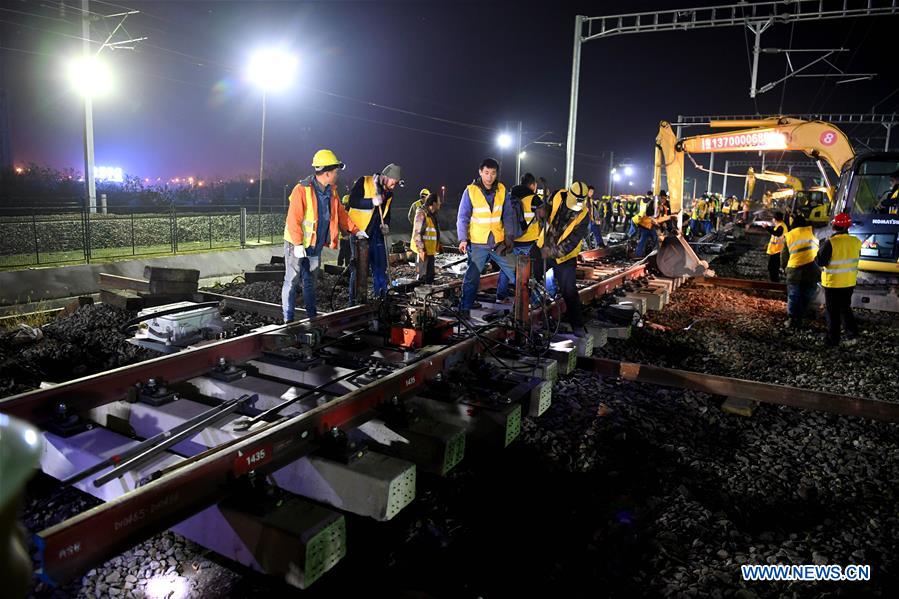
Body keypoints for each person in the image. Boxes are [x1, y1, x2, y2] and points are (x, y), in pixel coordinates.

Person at [282, 149, 361, 322]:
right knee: (292, 281)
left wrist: (355, 230)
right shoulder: (301, 190)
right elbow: (293, 219)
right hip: (296, 245)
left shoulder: (331, 192)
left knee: (310, 282)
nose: (337, 175)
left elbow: (341, 214)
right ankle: (288, 320)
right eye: (335, 172)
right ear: (327, 173)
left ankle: (312, 317)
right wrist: (297, 244)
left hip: (314, 246)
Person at [457, 158, 518, 317]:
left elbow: (508, 215)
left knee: (516, 273)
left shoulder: (502, 190)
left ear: (496, 173)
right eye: (486, 173)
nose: (489, 177)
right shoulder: (470, 191)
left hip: (498, 243)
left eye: (492, 173)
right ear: (480, 172)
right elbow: (463, 217)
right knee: (472, 277)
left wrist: (509, 237)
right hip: (478, 243)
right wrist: (463, 238)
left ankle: (529, 303)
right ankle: (464, 308)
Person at [347, 163, 403, 304]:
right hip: (360, 233)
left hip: (377, 235)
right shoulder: (364, 181)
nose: (394, 185)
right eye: (393, 182)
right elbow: (352, 202)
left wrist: (386, 225)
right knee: (359, 270)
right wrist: (371, 201)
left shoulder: (389, 194)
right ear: (385, 177)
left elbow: (387, 214)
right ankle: (354, 303)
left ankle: (381, 301)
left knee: (380, 268)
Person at [543, 182, 590, 334]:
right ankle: (527, 315)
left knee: (569, 290)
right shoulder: (557, 196)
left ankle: (577, 324)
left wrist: (552, 252)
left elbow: (572, 241)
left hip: (565, 257)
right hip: (543, 246)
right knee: (529, 279)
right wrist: (541, 211)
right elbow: (547, 210)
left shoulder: (583, 215)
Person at [496, 173, 546, 300]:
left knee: (506, 268)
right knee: (528, 272)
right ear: (532, 185)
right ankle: (529, 298)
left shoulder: (510, 196)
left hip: (511, 240)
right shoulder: (533, 199)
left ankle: (500, 295)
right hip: (527, 242)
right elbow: (544, 216)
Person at [816, 212, 862, 346]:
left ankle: (833, 339)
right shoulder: (856, 241)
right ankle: (852, 335)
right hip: (849, 282)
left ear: (834, 226)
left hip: (833, 282)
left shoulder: (831, 242)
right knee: (845, 308)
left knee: (832, 311)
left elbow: (820, 261)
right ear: (847, 227)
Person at [780, 212, 820, 329]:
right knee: (807, 295)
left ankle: (792, 319)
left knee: (793, 295)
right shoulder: (813, 232)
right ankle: (801, 317)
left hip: (794, 271)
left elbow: (784, 256)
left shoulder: (789, 235)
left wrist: (784, 268)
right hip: (812, 270)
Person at [411, 192, 442, 284]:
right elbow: (416, 234)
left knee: (430, 277)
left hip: (430, 251)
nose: (440, 203)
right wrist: (421, 250)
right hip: (423, 251)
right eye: (439, 201)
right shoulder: (421, 213)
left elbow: (433, 232)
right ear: (434, 204)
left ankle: (428, 296)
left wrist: (438, 245)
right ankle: (420, 296)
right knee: (422, 277)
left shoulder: (432, 215)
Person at [760, 210, 788, 282]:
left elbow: (777, 233)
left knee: (773, 268)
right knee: (772, 268)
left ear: (775, 219)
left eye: (773, 218)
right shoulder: (780, 225)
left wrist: (767, 228)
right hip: (776, 251)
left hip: (778, 251)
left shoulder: (781, 226)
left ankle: (775, 283)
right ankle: (775, 282)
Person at [336, 194, 352, 267]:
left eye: (346, 204)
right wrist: (344, 234)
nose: (345, 206)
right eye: (344, 204)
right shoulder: (342, 213)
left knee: (348, 254)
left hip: (349, 237)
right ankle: (339, 267)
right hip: (344, 237)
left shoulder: (351, 213)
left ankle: (346, 268)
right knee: (342, 253)